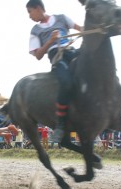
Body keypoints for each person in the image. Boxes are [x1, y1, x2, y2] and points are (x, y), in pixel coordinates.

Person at [26, 0, 82, 143]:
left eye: (29, 12)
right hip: (57, 58)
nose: (29, 16)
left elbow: (79, 28)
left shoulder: (62, 18)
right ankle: (61, 125)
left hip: (72, 52)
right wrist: (50, 41)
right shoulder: (35, 30)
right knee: (66, 83)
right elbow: (38, 55)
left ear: (38, 8)